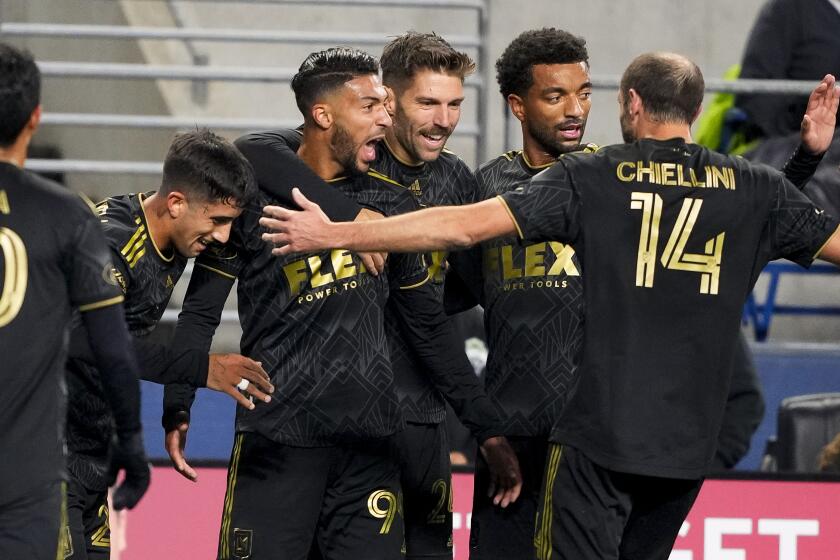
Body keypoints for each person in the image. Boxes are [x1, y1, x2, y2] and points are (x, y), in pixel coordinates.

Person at [260, 56, 840, 559]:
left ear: (630, 102)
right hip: (685, 450)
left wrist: (341, 232)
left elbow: (462, 228)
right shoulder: (753, 187)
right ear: (696, 105)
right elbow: (781, 229)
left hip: (597, 441)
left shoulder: (594, 176)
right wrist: (806, 161)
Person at [168, 47, 519, 560]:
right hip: (278, 439)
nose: (385, 116)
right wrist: (179, 400)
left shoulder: (393, 207)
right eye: (370, 107)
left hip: (369, 446)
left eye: (385, 104)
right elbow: (201, 311)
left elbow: (427, 324)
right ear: (323, 115)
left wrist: (486, 427)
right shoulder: (251, 205)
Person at [63, 129, 274, 560]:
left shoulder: (174, 233)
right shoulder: (112, 246)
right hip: (46, 450)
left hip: (92, 447)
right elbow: (79, 338)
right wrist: (202, 370)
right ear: (176, 203)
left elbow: (195, 317)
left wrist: (176, 407)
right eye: (216, 221)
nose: (222, 237)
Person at [0, 42, 149, 560]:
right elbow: (112, 346)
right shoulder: (67, 216)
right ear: (35, 118)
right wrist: (132, 439)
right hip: (26, 481)